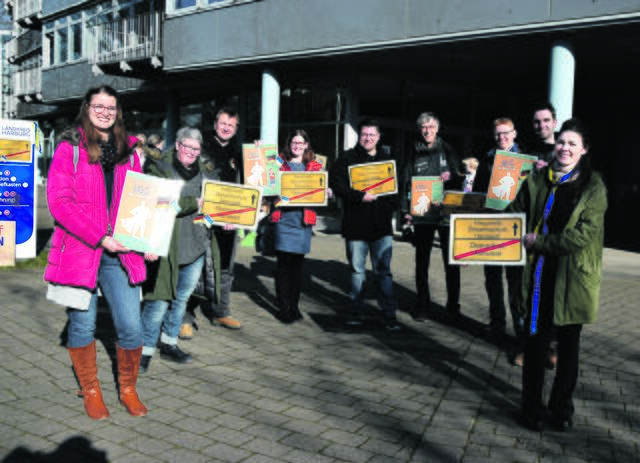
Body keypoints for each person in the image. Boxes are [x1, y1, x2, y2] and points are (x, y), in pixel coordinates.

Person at [44, 85, 151, 419]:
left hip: (121, 252)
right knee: (82, 325)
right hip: (81, 249)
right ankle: (91, 390)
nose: (105, 111)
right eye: (98, 106)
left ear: (118, 111)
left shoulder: (130, 151)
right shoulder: (70, 147)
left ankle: (128, 389)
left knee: (132, 327)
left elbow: (142, 202)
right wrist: (99, 236)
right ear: (87, 108)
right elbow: (59, 203)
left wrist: (148, 240)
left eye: (111, 107)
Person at [510, 118, 607, 431]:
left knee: (567, 348)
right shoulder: (537, 178)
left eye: (572, 144)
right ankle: (531, 410)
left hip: (573, 278)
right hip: (539, 275)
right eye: (561, 142)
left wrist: (540, 242)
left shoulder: (594, 186)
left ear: (584, 150)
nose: (564, 148)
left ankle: (560, 410)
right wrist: (479, 243)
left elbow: (582, 236)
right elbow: (514, 213)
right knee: (535, 345)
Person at [140, 127, 219, 372]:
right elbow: (157, 202)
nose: (192, 153)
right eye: (187, 147)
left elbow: (215, 204)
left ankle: (170, 343)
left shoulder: (206, 173)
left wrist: (226, 217)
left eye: (196, 149)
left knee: (182, 299)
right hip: (166, 246)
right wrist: (192, 203)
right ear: (177, 144)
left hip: (196, 245)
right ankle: (142, 351)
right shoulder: (159, 167)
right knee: (159, 300)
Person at [329, 118, 401, 331]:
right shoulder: (347, 158)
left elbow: (396, 195)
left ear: (378, 137)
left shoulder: (388, 160)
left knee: (383, 273)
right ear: (359, 136)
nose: (368, 138)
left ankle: (389, 314)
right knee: (357, 272)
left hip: (381, 227)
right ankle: (356, 312)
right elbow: (337, 184)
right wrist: (360, 196)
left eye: (372, 134)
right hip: (356, 226)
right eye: (364, 134)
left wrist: (387, 205)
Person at [180, 108, 243, 338]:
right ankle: (184, 317)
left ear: (236, 128)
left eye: (231, 125)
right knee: (194, 266)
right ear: (215, 124)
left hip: (230, 220)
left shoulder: (241, 153)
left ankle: (220, 311)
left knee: (226, 266)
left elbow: (254, 184)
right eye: (223, 123)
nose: (226, 128)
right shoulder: (201, 149)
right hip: (202, 217)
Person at [401, 112, 462, 322]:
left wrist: (451, 176)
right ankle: (422, 304)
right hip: (422, 212)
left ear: (437, 129)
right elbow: (405, 180)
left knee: (451, 262)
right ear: (420, 130)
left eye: (431, 127)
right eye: (424, 127)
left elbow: (460, 177)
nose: (427, 130)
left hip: (445, 213)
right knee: (422, 260)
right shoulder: (412, 150)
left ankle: (453, 306)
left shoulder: (447, 148)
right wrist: (405, 212)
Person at [473, 117, 526, 341]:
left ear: (514, 134)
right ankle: (497, 323)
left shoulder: (526, 161)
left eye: (506, 133)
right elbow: (476, 195)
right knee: (492, 278)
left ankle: (520, 327)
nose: (501, 137)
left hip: (515, 228)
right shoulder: (486, 159)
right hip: (492, 226)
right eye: (497, 134)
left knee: (516, 282)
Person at [271, 130, 324, 323]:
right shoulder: (278, 162)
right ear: (289, 143)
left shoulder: (315, 166)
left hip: (303, 223)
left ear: (306, 145)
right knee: (283, 266)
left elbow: (320, 190)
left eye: (301, 143)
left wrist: (327, 192)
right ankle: (284, 307)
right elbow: (264, 175)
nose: (297, 146)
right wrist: (259, 149)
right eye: (294, 142)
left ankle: (294, 306)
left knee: (297, 268)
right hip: (284, 220)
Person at [529, 103, 558, 169]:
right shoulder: (525, 152)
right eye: (537, 122)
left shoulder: (564, 151)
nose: (541, 125)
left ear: (554, 123)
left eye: (546, 120)